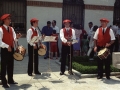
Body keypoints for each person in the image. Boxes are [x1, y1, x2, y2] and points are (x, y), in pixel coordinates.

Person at [0, 14, 21, 88]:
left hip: (11, 49)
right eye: (8, 19)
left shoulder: (11, 29)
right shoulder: (1, 29)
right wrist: (6, 46)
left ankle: (10, 80)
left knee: (10, 65)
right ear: (4, 20)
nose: (10, 20)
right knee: (3, 66)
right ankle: (4, 81)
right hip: (4, 50)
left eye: (10, 19)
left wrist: (17, 38)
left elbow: (14, 39)